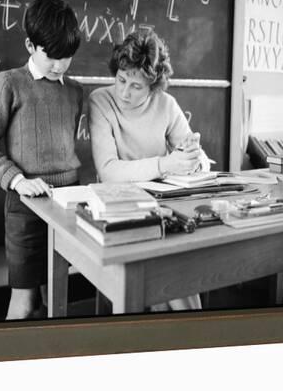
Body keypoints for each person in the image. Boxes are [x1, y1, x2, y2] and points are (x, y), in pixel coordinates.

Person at [0, 0, 83, 320]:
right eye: (52, 56)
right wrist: (19, 181)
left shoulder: (75, 91)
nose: (60, 65)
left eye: (67, 57)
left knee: (57, 298)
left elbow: (67, 145)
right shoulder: (8, 83)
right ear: (30, 45)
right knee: (25, 301)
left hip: (67, 203)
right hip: (26, 206)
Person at [88, 30, 209, 311]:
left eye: (136, 87)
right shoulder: (100, 101)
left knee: (174, 275)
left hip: (162, 206)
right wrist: (165, 164)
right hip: (120, 210)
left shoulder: (166, 104)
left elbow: (200, 157)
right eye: (121, 80)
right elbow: (108, 171)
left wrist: (193, 158)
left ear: (153, 87)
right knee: (167, 281)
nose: (124, 92)